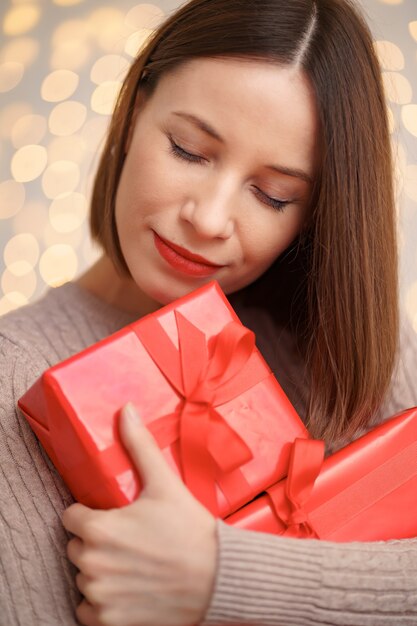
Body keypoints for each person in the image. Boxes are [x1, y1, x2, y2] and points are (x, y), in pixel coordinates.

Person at [1, 0, 417, 624]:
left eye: (273, 195)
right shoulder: (13, 376)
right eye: (189, 150)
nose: (210, 219)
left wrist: (223, 578)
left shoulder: (348, 340)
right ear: (136, 107)